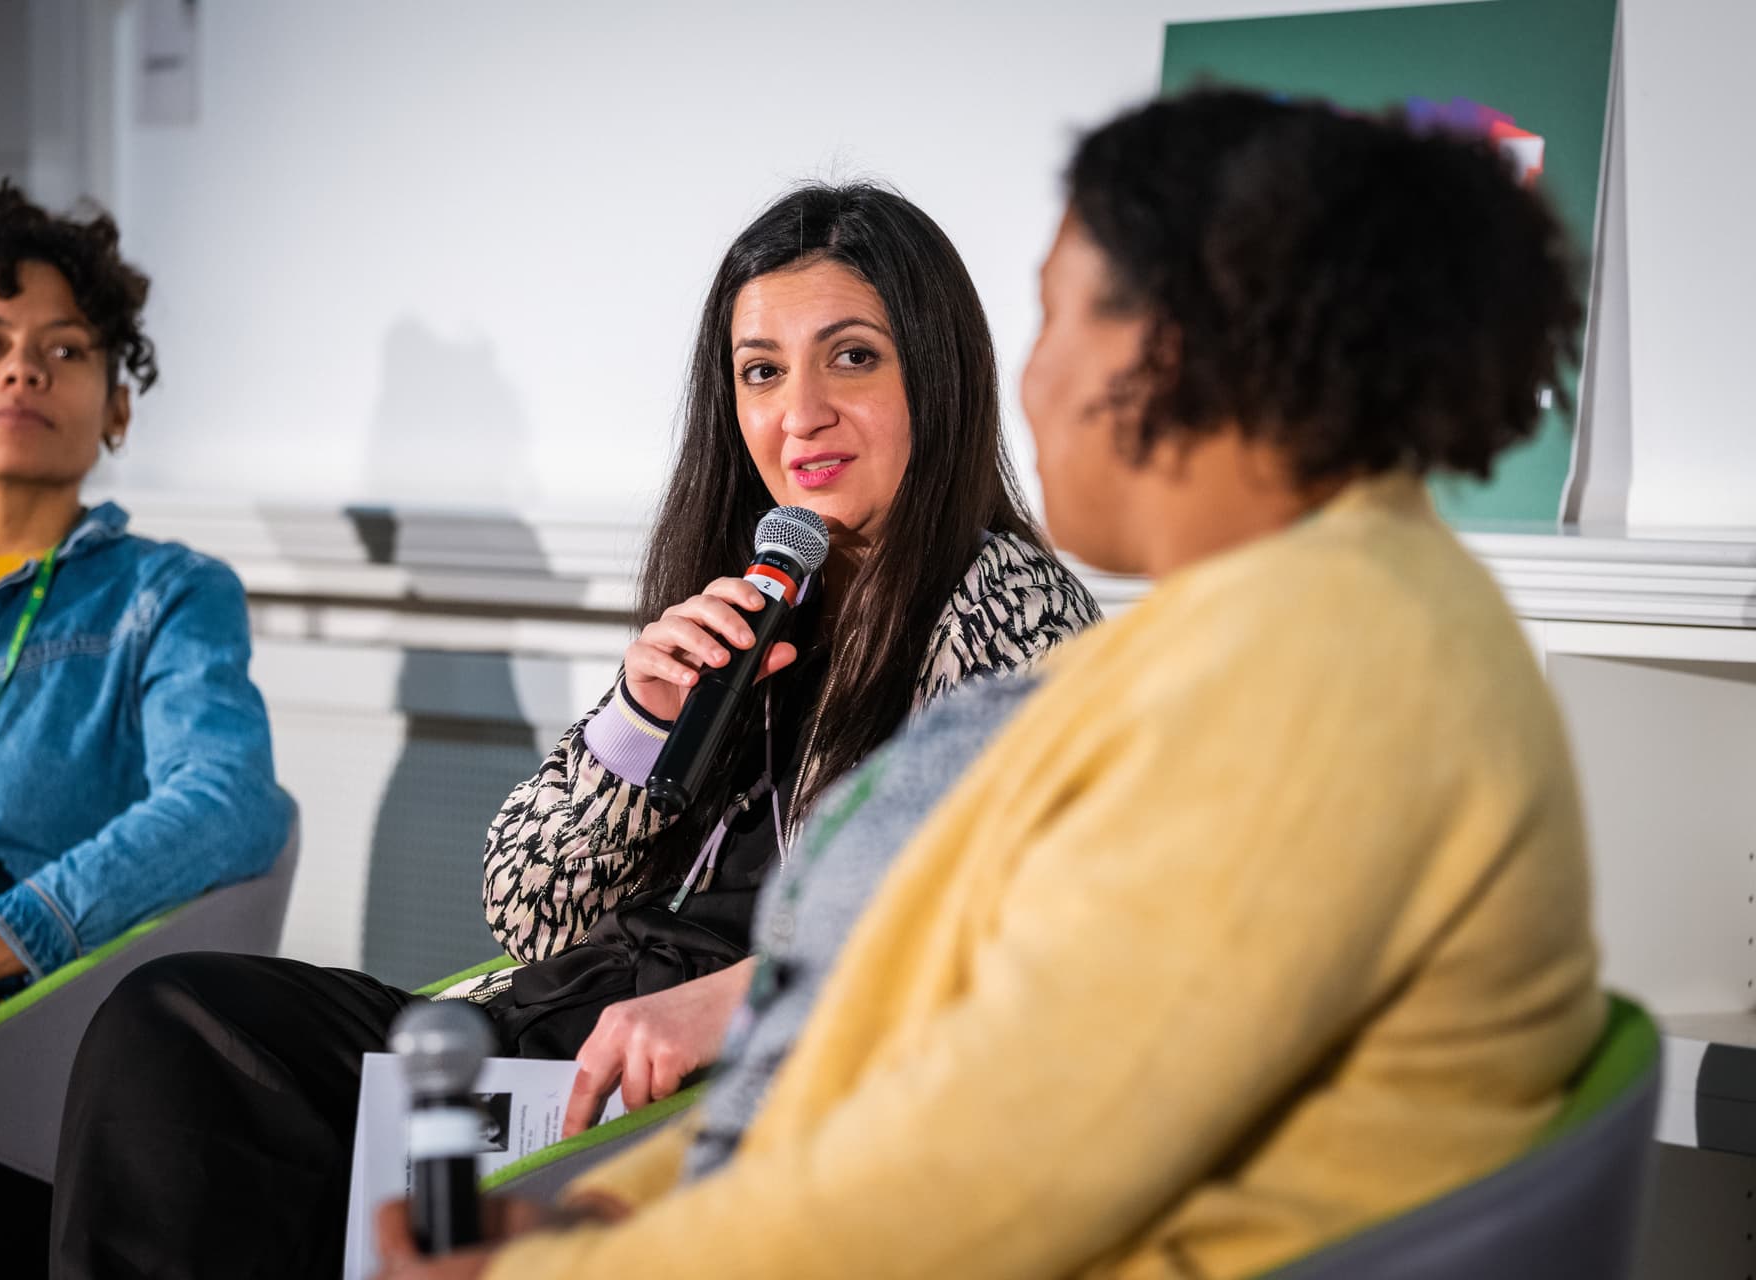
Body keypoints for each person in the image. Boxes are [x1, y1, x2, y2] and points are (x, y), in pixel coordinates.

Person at [370, 88, 1606, 1280]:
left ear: (1183, 349)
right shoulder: (1294, 617)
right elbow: (886, 1036)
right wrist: (601, 1204)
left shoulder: (1319, 664)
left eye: (1058, 318)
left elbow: (1005, 1154)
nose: (1027, 381)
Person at [48, 183, 1100, 1279]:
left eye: (851, 358)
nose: (800, 414)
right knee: (181, 1023)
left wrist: (739, 1001)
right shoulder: (751, 592)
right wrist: (638, 726)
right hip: (562, 1020)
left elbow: (993, 919)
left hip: (722, 1066)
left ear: (937, 373)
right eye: (761, 371)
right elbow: (529, 907)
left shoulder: (999, 594)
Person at [0, 186, 291, 1211]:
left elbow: (229, 796)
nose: (22, 368)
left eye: (66, 348)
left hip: (10, 1019)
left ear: (116, 406)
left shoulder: (165, 594)